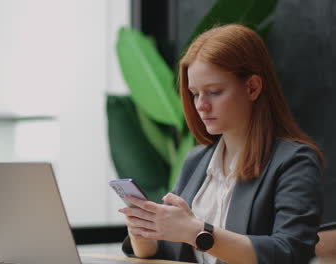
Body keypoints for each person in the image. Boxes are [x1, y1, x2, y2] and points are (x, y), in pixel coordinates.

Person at [118, 24, 324, 264]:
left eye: (214, 91)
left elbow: (290, 253)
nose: (201, 105)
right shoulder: (196, 160)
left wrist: (195, 231)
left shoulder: (294, 162)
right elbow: (169, 252)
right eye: (195, 93)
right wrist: (142, 231)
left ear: (252, 87)